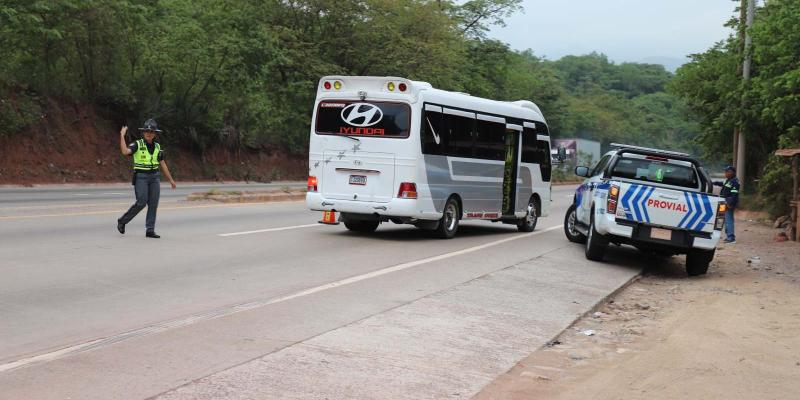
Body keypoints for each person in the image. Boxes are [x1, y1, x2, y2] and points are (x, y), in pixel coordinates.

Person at [117, 119, 176, 238]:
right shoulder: (138, 144)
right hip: (141, 177)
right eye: (147, 131)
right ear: (143, 132)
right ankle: (122, 221)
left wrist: (170, 180)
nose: (149, 133)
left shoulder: (158, 147)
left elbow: (162, 164)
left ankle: (150, 230)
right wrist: (122, 136)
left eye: (151, 131)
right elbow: (125, 151)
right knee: (141, 202)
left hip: (154, 177)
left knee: (153, 204)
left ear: (155, 133)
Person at [713, 165, 740, 244]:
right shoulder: (728, 180)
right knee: (721, 219)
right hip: (723, 202)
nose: (725, 173)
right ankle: (728, 236)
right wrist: (712, 182)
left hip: (728, 203)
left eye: (726, 172)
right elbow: (721, 183)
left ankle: (731, 238)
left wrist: (730, 204)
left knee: (729, 220)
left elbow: (734, 194)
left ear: (731, 172)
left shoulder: (735, 181)